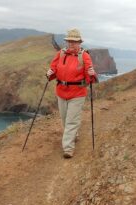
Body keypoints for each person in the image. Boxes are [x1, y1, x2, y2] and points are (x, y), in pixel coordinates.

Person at [46, 28, 97, 159]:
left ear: (79, 42)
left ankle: (68, 148)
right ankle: (74, 135)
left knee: (71, 121)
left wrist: (92, 74)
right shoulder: (61, 54)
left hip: (77, 93)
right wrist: (50, 73)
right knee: (64, 119)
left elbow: (89, 76)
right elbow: (53, 68)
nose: (71, 44)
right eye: (69, 41)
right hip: (61, 91)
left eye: (74, 42)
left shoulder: (84, 56)